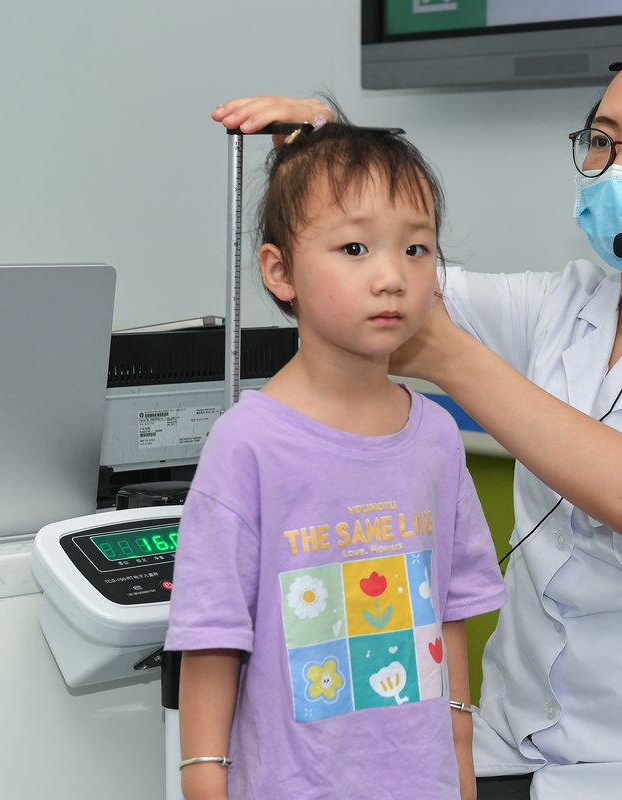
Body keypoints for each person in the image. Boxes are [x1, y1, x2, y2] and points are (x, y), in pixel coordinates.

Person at [213, 32, 622, 800]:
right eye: (604, 143)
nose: (620, 169)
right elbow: (367, 268)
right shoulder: (558, 307)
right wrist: (323, 149)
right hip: (517, 741)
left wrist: (451, 358)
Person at [164, 119, 506, 800]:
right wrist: (205, 781)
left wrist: (461, 755)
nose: (391, 276)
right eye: (355, 247)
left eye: (416, 248)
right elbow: (211, 635)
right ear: (279, 271)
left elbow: (450, 610)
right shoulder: (247, 443)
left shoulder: (436, 435)